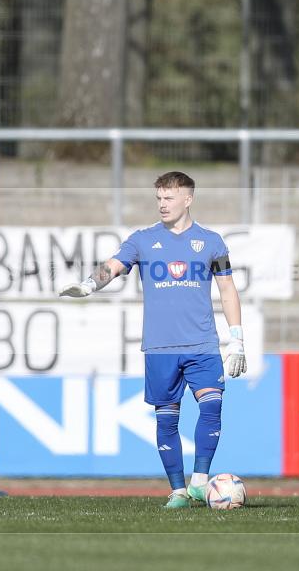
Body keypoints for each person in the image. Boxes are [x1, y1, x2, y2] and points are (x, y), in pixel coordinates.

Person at [58, 171, 246, 508]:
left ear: (188, 199)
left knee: (212, 406)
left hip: (202, 344)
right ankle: (177, 491)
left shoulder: (213, 242)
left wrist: (237, 339)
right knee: (167, 419)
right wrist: (88, 284)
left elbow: (228, 289)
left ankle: (200, 482)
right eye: (158, 198)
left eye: (169, 198)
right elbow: (113, 266)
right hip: (160, 348)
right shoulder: (142, 240)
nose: (162, 204)